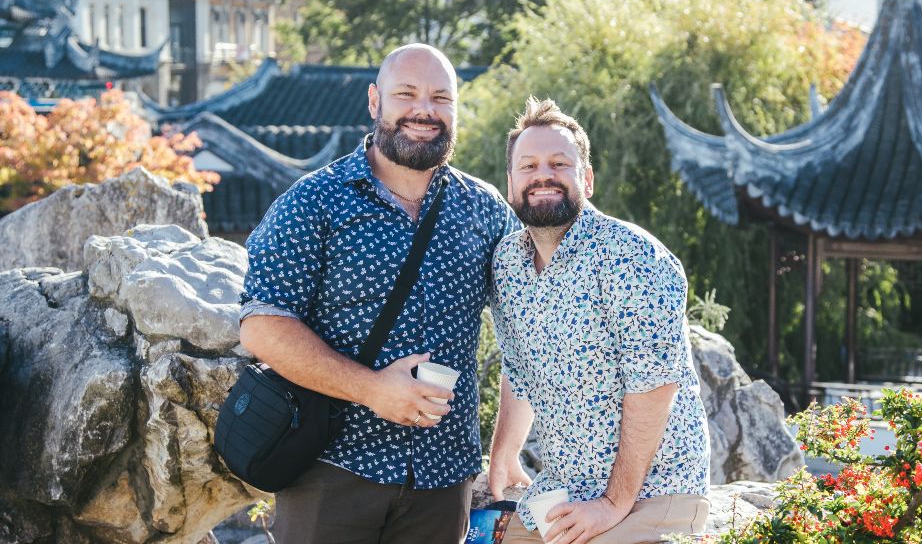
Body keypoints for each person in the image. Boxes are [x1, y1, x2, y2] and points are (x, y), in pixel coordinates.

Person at [239, 44, 519, 544]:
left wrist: (504, 453)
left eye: (440, 97)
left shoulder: (485, 210)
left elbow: (528, 328)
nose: (424, 110)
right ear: (375, 101)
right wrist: (372, 390)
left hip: (443, 477)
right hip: (331, 469)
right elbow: (263, 325)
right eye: (406, 94)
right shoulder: (314, 201)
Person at [488, 97, 711, 544]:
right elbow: (517, 369)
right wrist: (504, 454)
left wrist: (612, 505)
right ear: (511, 184)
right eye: (528, 166)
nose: (542, 175)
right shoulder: (508, 262)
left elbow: (654, 388)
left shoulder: (631, 255)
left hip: (651, 494)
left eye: (559, 163)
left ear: (586, 179)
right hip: (562, 494)